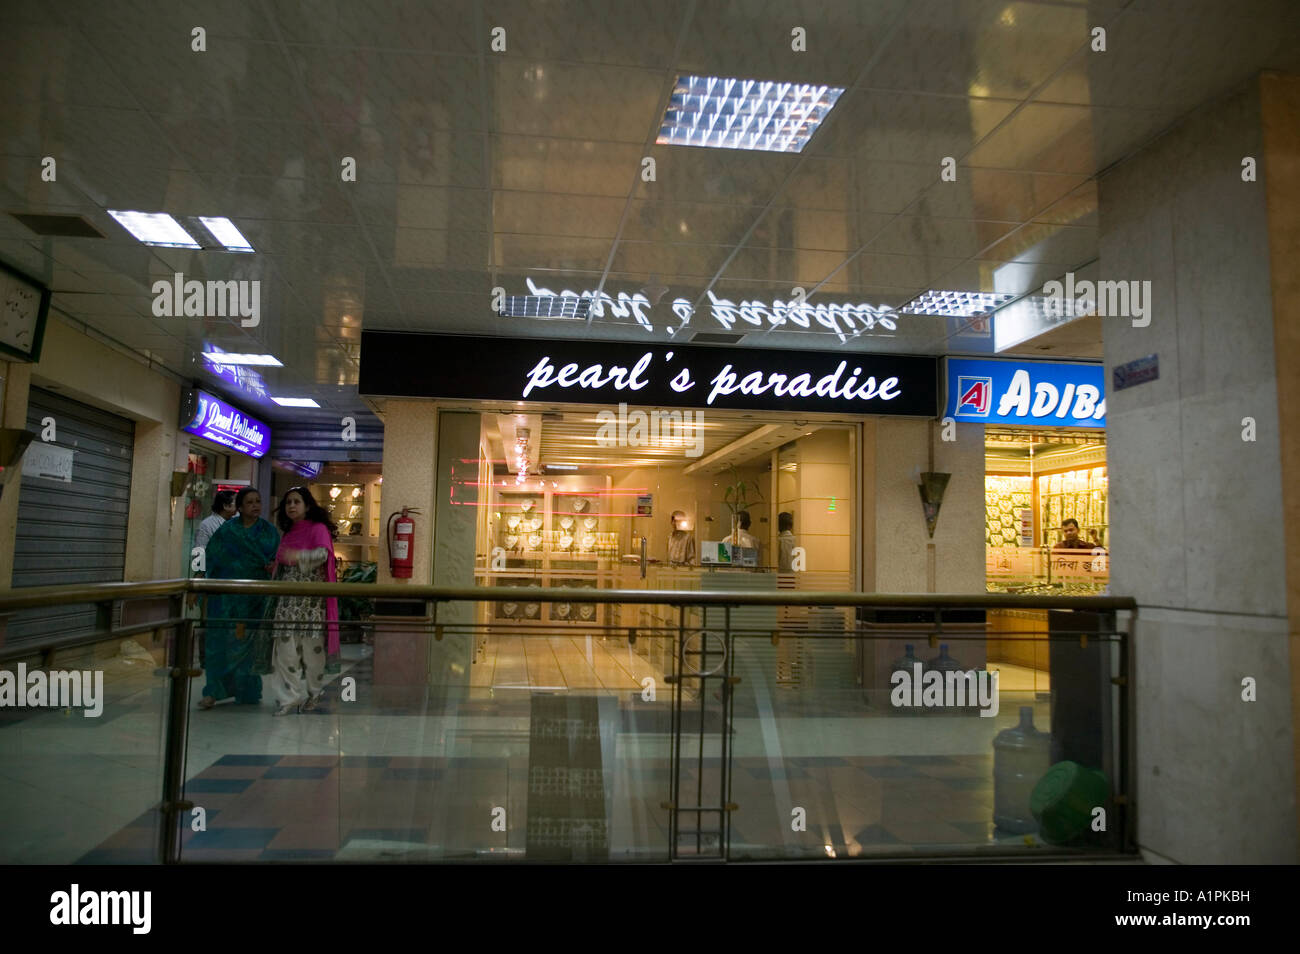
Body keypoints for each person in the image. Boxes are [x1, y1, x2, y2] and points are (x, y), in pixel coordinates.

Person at [199, 487, 281, 710]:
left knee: (248, 648)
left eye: (258, 501)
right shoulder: (227, 531)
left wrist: (272, 567)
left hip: (254, 599)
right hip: (225, 599)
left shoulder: (268, 532)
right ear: (240, 507)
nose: (255, 506)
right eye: (250, 502)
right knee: (219, 645)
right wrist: (201, 579)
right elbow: (211, 555)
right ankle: (214, 691)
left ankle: (247, 691)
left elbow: (278, 560)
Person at [269, 486, 340, 716]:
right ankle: (288, 699)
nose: (291, 506)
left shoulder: (318, 529)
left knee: (312, 651)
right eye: (288, 502)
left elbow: (323, 555)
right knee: (285, 651)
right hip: (287, 600)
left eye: (296, 501)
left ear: (307, 506)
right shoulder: (288, 532)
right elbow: (281, 562)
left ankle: (314, 693)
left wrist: (297, 556)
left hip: (311, 600)